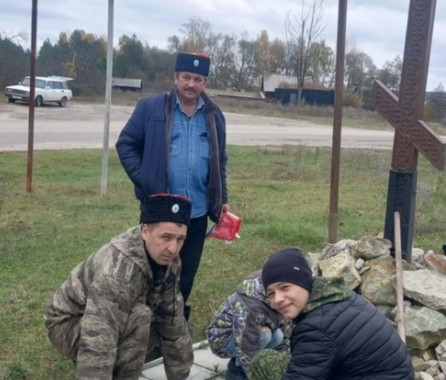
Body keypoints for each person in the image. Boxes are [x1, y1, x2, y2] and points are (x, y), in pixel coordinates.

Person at [116, 51, 230, 321]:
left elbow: (219, 161)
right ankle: (143, 323)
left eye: (198, 79)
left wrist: (222, 197)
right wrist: (146, 179)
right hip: (161, 210)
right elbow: (126, 144)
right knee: (153, 268)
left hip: (198, 212)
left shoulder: (215, 116)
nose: (192, 84)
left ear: (204, 82)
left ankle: (173, 321)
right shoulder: (151, 108)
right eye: (186, 77)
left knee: (186, 271)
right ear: (176, 78)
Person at [44, 194, 194, 379]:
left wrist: (181, 375)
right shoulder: (117, 271)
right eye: (166, 237)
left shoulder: (170, 262)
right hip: (69, 321)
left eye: (180, 239)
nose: (173, 248)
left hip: (114, 313)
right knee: (140, 317)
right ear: (145, 231)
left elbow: (172, 319)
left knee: (152, 323)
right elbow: (99, 337)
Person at [250, 247, 415, 380]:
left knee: (262, 361)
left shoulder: (317, 327)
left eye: (285, 287)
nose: (277, 299)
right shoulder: (339, 295)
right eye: (271, 293)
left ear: (304, 282)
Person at [206, 270, 290, 380]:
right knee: (265, 335)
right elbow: (245, 346)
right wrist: (256, 375)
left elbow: (282, 330)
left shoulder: (274, 297)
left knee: (278, 335)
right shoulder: (249, 306)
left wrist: (286, 365)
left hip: (246, 335)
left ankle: (255, 362)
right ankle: (236, 372)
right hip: (222, 341)